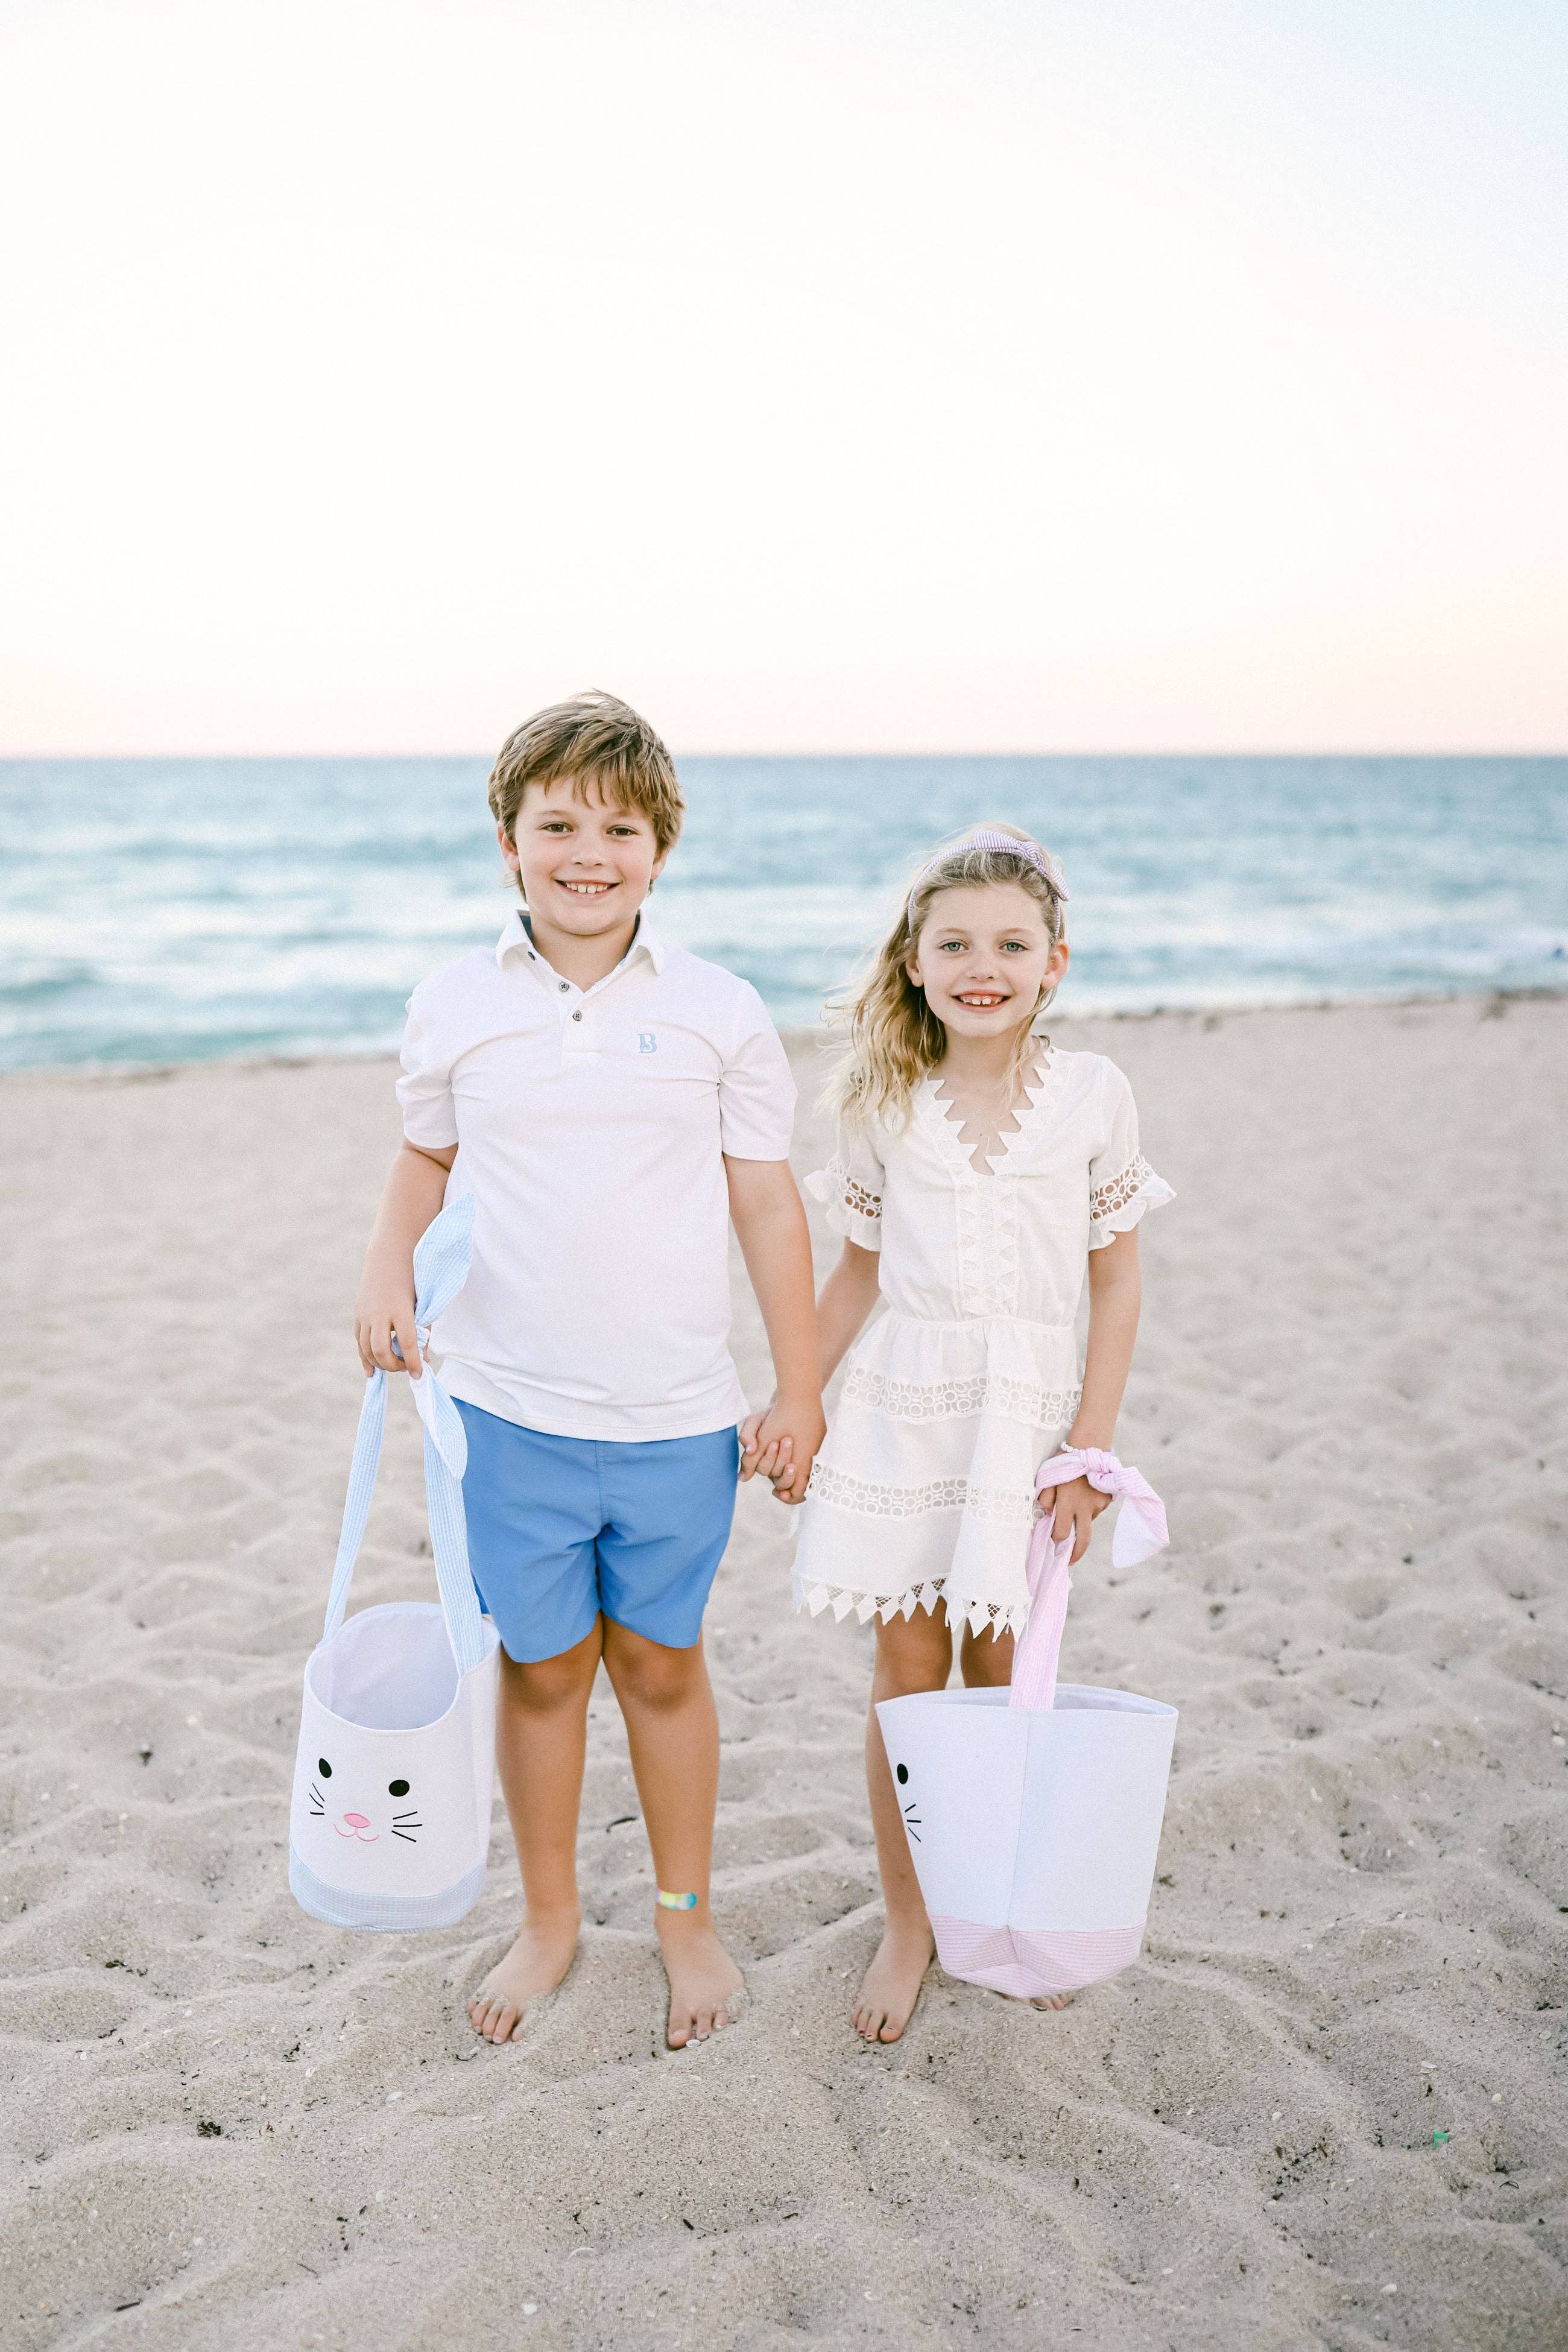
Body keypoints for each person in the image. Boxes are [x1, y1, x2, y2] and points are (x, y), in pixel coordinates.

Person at [353, 693, 824, 2048]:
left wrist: (794, 1389)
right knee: (547, 1675)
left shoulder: (717, 1012)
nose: (586, 852)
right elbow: (425, 1159)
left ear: (659, 849)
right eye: (556, 823)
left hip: (678, 1420)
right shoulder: (453, 1006)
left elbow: (769, 1209)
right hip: (506, 1412)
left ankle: (686, 1916)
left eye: (617, 828)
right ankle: (551, 1919)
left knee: (664, 1669)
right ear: (510, 839)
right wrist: (385, 1270)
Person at [790, 824, 1172, 2042]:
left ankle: (1008, 1900)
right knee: (907, 1677)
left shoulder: (1093, 1095)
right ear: (912, 960)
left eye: (1010, 944)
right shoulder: (882, 1099)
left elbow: (1116, 1282)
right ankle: (911, 1923)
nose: (981, 965)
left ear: (1053, 962)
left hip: (1027, 1430)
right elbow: (853, 1273)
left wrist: (1089, 1447)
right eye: (953, 943)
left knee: (1009, 1677)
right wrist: (794, 1390)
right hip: (903, 1416)